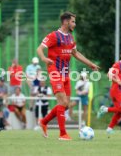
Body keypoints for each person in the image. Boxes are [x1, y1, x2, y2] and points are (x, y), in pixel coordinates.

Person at [37, 11, 100, 140]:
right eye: (73, 21)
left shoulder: (70, 38)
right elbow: (39, 49)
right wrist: (44, 58)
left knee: (65, 104)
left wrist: (90, 64)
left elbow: (76, 54)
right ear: (66, 22)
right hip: (55, 72)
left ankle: (44, 122)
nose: (74, 24)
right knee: (62, 102)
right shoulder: (54, 35)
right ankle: (63, 134)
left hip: (66, 73)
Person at [97, 49, 121, 135]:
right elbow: (109, 75)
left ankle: (109, 129)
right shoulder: (117, 64)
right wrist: (117, 81)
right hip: (116, 90)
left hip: (120, 91)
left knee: (119, 111)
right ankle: (104, 109)